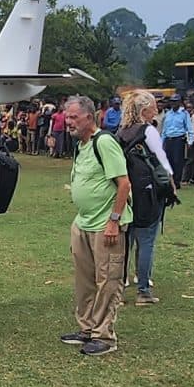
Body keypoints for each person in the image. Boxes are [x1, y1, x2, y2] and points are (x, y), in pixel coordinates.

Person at [58, 95, 128, 357]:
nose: (69, 122)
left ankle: (104, 336)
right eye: (67, 117)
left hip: (104, 224)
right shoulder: (81, 145)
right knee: (84, 279)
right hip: (83, 222)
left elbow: (124, 183)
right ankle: (86, 328)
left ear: (90, 116)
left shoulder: (105, 142)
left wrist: (114, 221)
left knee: (107, 279)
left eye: (74, 117)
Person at [119, 91, 173, 306]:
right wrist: (171, 185)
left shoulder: (121, 132)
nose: (157, 110)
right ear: (144, 110)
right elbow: (162, 161)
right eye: (153, 107)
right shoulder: (148, 131)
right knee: (147, 240)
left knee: (125, 243)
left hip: (127, 192)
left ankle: (119, 290)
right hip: (147, 193)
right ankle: (143, 291)